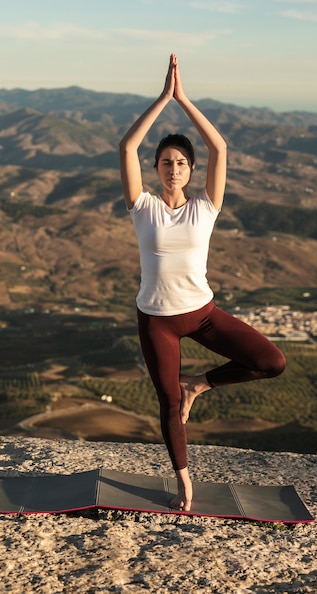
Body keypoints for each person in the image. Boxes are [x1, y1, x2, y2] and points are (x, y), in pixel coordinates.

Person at [119, 54, 286, 512]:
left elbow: (222, 148)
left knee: (271, 361)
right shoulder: (143, 207)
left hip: (203, 314)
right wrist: (162, 99)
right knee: (168, 403)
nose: (173, 168)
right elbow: (126, 146)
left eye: (180, 163)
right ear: (156, 169)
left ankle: (202, 384)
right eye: (165, 162)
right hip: (157, 321)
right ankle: (184, 483)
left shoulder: (205, 207)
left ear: (191, 170)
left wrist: (184, 99)